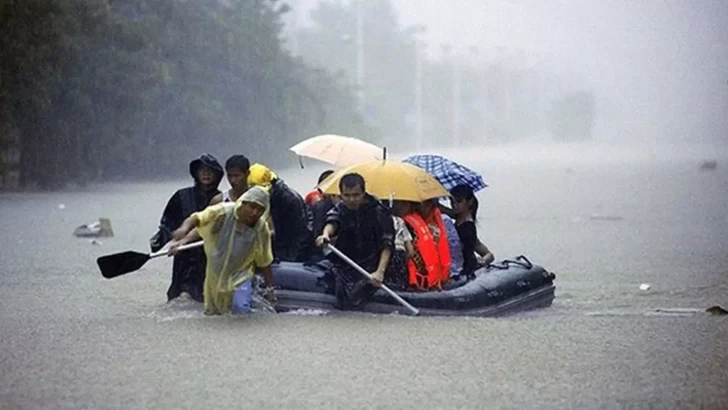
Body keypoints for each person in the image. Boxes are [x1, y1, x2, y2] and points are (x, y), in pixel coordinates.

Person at [169, 186, 277, 315]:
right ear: (243, 203)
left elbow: (265, 260)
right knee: (214, 314)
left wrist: (271, 289)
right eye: (252, 207)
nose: (255, 213)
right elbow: (198, 218)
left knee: (241, 309)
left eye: (260, 210)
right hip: (215, 275)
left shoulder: (261, 229)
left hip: (241, 275)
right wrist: (183, 232)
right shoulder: (223, 212)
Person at [150, 153, 224, 302]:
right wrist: (163, 239)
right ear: (196, 173)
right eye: (202, 170)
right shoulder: (182, 196)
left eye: (210, 170)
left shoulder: (222, 199)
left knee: (205, 295)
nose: (206, 174)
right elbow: (168, 222)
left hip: (209, 255)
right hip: (183, 254)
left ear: (217, 175)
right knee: (181, 294)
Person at [315, 173, 394, 309]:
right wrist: (325, 234)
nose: (351, 200)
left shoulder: (378, 212)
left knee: (357, 292)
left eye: (356, 195)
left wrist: (380, 272)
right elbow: (333, 222)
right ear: (341, 195)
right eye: (347, 195)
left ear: (364, 193)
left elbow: (387, 244)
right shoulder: (341, 208)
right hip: (347, 262)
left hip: (372, 264)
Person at [247, 163, 313, 262]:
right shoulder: (271, 197)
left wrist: (289, 260)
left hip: (296, 253)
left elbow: (299, 233)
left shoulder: (288, 199)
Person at [450, 184, 495, 279]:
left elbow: (469, 248)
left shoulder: (467, 226)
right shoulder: (459, 218)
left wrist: (482, 261)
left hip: (465, 268)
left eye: (458, 201)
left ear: (469, 202)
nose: (454, 205)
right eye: (451, 201)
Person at [404, 199, 451, 290]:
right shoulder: (408, 223)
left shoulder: (437, 221)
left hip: (436, 279)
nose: (419, 207)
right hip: (417, 278)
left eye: (425, 204)